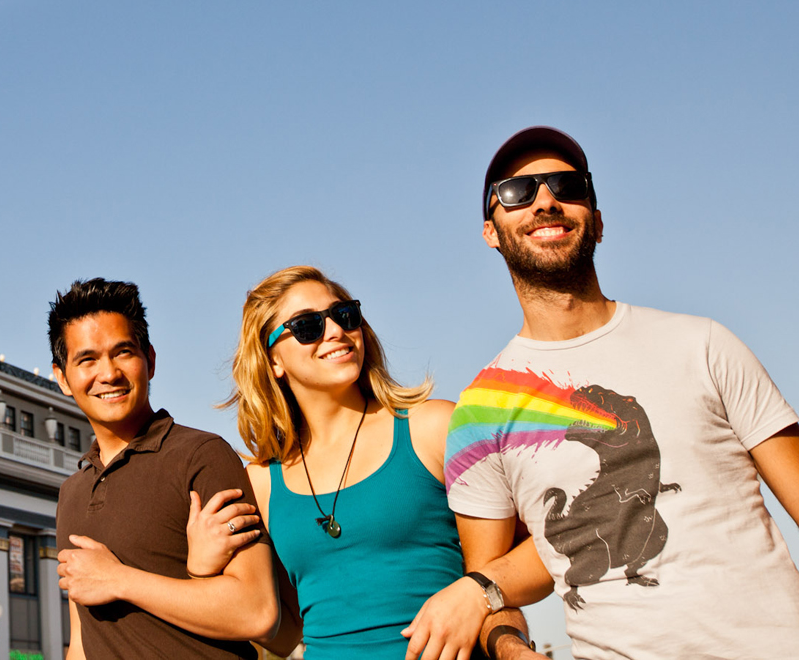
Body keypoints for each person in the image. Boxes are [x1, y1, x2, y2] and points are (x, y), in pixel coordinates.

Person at [448, 126, 799, 659]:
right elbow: (487, 589)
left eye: (567, 186)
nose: (545, 201)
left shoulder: (704, 344)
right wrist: (513, 650)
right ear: (490, 230)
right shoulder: (481, 411)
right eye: (517, 192)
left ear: (596, 222)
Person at [192, 265, 552, 660]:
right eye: (308, 326)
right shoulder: (261, 483)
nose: (335, 331)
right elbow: (280, 631)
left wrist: (481, 596)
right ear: (273, 361)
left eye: (345, 315)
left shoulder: (433, 429)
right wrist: (201, 569)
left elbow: (549, 548)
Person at [49, 277, 281, 660]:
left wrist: (120, 580)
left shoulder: (202, 455)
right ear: (62, 378)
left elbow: (257, 612)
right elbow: (81, 640)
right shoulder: (71, 492)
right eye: (87, 359)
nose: (108, 374)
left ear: (150, 360)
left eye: (123, 352)